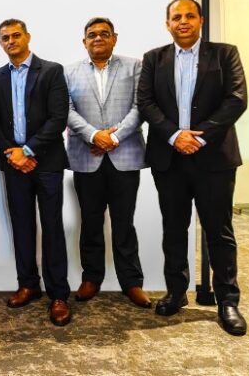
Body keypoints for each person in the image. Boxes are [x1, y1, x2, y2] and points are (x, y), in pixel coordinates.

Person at [137, 0, 248, 336]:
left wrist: (199, 137)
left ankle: (227, 301)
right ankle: (176, 292)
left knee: (219, 232)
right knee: (174, 229)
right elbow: (145, 102)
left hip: (214, 159)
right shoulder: (154, 58)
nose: (182, 21)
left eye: (189, 16)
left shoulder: (224, 54)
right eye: (176, 17)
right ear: (167, 24)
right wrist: (174, 135)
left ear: (200, 20)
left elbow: (237, 99)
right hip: (169, 159)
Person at [0, 18, 72, 326]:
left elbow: (58, 118)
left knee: (52, 227)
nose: (11, 41)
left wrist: (28, 150)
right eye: (5, 37)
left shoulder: (51, 71)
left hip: (46, 163)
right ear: (1, 43)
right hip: (14, 165)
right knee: (21, 226)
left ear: (27, 37)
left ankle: (58, 294)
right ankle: (28, 285)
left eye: (16, 35)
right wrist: (12, 153)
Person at [64, 17, 151, 308]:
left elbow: (141, 107)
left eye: (104, 33)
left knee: (124, 222)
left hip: (124, 156)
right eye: (92, 34)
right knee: (90, 221)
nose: (98, 38)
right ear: (84, 41)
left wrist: (113, 137)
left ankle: (132, 282)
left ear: (114, 38)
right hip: (86, 157)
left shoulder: (135, 67)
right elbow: (66, 110)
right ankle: (91, 278)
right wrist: (94, 135)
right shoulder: (69, 72)